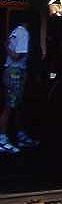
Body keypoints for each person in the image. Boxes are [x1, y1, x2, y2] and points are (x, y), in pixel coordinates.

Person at [1, 14, 38, 153]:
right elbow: (17, 56)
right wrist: (6, 48)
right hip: (15, 72)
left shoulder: (15, 32)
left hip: (13, 71)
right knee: (10, 106)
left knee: (16, 106)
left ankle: (19, 135)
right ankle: (2, 139)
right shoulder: (23, 33)